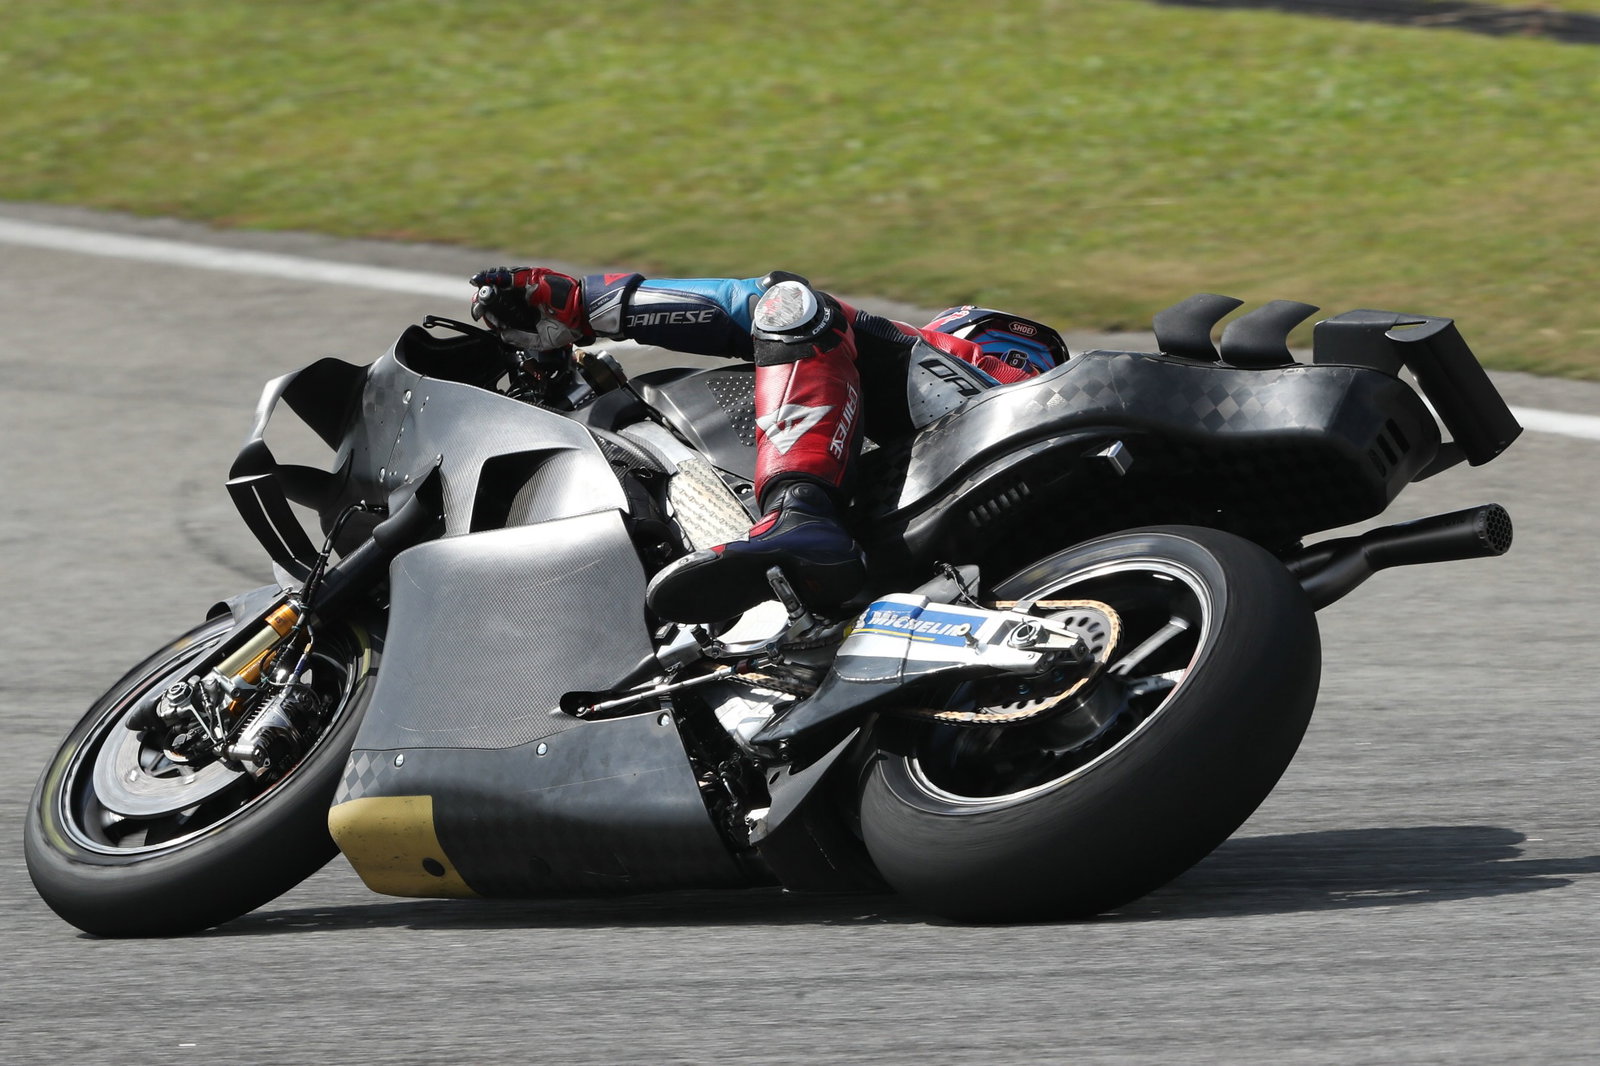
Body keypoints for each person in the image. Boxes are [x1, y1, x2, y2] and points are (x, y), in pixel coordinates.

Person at [468, 267, 1068, 623]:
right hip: (980, 568)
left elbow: (759, 308)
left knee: (791, 305)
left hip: (1022, 456)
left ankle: (800, 516)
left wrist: (579, 302)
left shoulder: (993, 373)